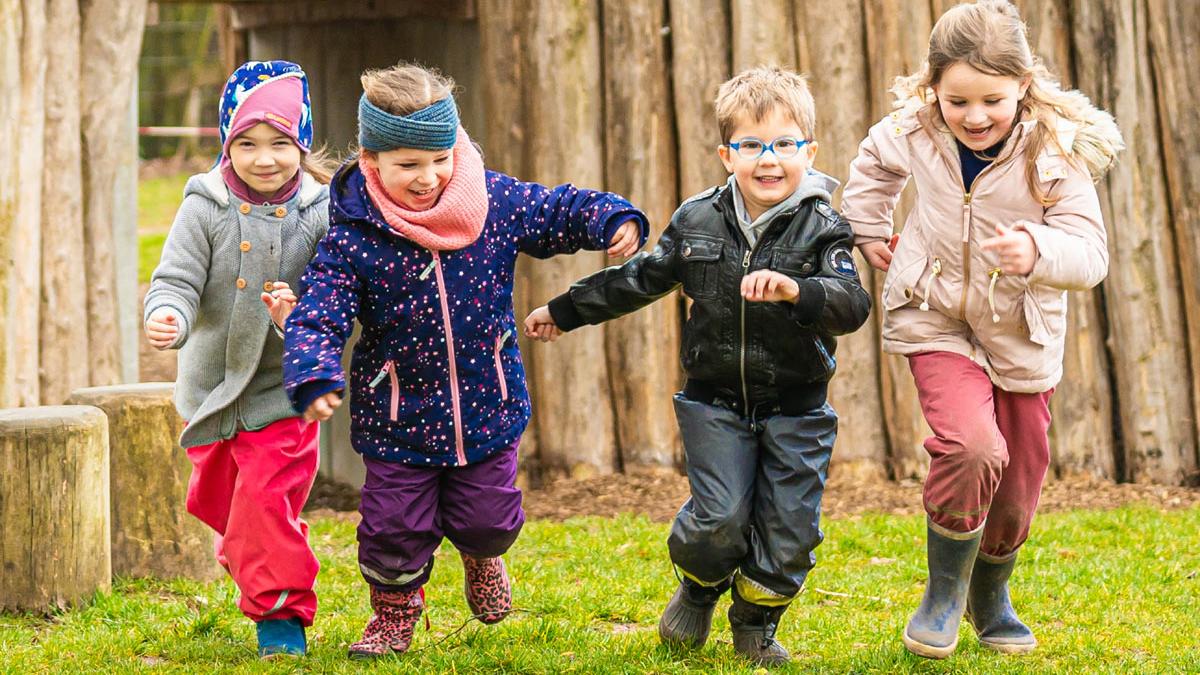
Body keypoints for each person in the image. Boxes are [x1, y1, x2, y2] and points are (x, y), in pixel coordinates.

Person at [280, 63, 647, 659]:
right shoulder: (354, 232)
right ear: (372, 163)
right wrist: (313, 370)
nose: (428, 178)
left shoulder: (491, 201)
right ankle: (395, 613)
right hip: (399, 414)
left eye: (439, 158)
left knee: (488, 520)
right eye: (408, 165)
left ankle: (482, 559)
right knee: (392, 528)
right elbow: (321, 308)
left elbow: (554, 209)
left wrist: (611, 218)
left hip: (487, 401)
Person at [524, 65, 871, 666]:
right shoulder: (698, 220)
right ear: (725, 154)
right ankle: (700, 584)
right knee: (719, 518)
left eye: (786, 144)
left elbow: (851, 305)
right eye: (751, 145)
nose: (770, 159)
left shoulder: (825, 227)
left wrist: (796, 289)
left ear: (809, 151)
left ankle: (756, 621)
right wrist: (565, 309)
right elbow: (640, 279)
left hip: (798, 407)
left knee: (790, 531)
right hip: (714, 401)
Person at [841, 0, 1124, 659]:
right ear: (932, 87)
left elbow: (1091, 255)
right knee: (973, 447)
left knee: (1021, 472)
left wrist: (1038, 249)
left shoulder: (1054, 151)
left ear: (1022, 86)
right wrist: (868, 225)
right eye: (956, 99)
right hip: (934, 311)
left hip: (1020, 328)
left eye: (991, 100)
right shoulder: (915, 127)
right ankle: (943, 591)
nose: (973, 117)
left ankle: (990, 591)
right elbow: (872, 166)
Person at [143, 60, 337, 659]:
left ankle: (280, 617)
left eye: (281, 143)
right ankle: (254, 548)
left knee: (266, 502)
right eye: (246, 144)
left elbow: (336, 293)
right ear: (227, 145)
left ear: (301, 146)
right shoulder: (204, 207)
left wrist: (299, 315)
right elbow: (175, 278)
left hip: (282, 394)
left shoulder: (322, 213)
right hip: (210, 393)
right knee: (223, 501)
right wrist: (168, 314)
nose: (264, 158)